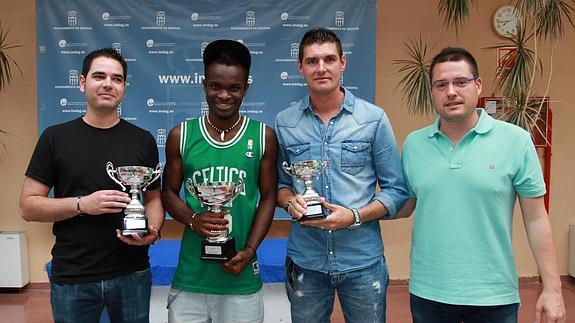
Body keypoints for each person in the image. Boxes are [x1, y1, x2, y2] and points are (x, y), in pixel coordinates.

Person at [399, 47, 566, 323]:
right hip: (430, 294)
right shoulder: (414, 145)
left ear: (478, 85)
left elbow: (536, 218)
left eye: (460, 82)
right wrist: (355, 210)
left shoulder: (516, 141)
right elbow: (404, 205)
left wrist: (553, 288)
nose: (450, 91)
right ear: (432, 92)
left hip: (494, 295)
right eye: (441, 85)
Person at [19, 48, 164, 323]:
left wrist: (154, 231)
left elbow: (154, 199)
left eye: (117, 79)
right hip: (74, 276)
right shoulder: (55, 138)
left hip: (132, 274)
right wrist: (82, 204)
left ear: (124, 87)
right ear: (82, 82)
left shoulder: (142, 140)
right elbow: (28, 205)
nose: (108, 84)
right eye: (99, 76)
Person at [275, 27, 409, 323]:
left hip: (362, 262)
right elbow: (280, 185)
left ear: (342, 63)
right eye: (312, 61)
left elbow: (397, 190)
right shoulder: (285, 122)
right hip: (306, 262)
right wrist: (289, 203)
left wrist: (355, 216)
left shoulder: (373, 119)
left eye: (329, 59)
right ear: (300, 67)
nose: (321, 68)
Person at [161, 39, 278, 323]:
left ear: (246, 88)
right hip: (191, 277)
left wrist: (249, 250)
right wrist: (193, 219)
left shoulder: (263, 137)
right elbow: (168, 192)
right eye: (216, 86)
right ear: (204, 84)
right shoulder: (182, 135)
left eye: (234, 88)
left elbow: (269, 197)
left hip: (240, 277)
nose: (224, 95)